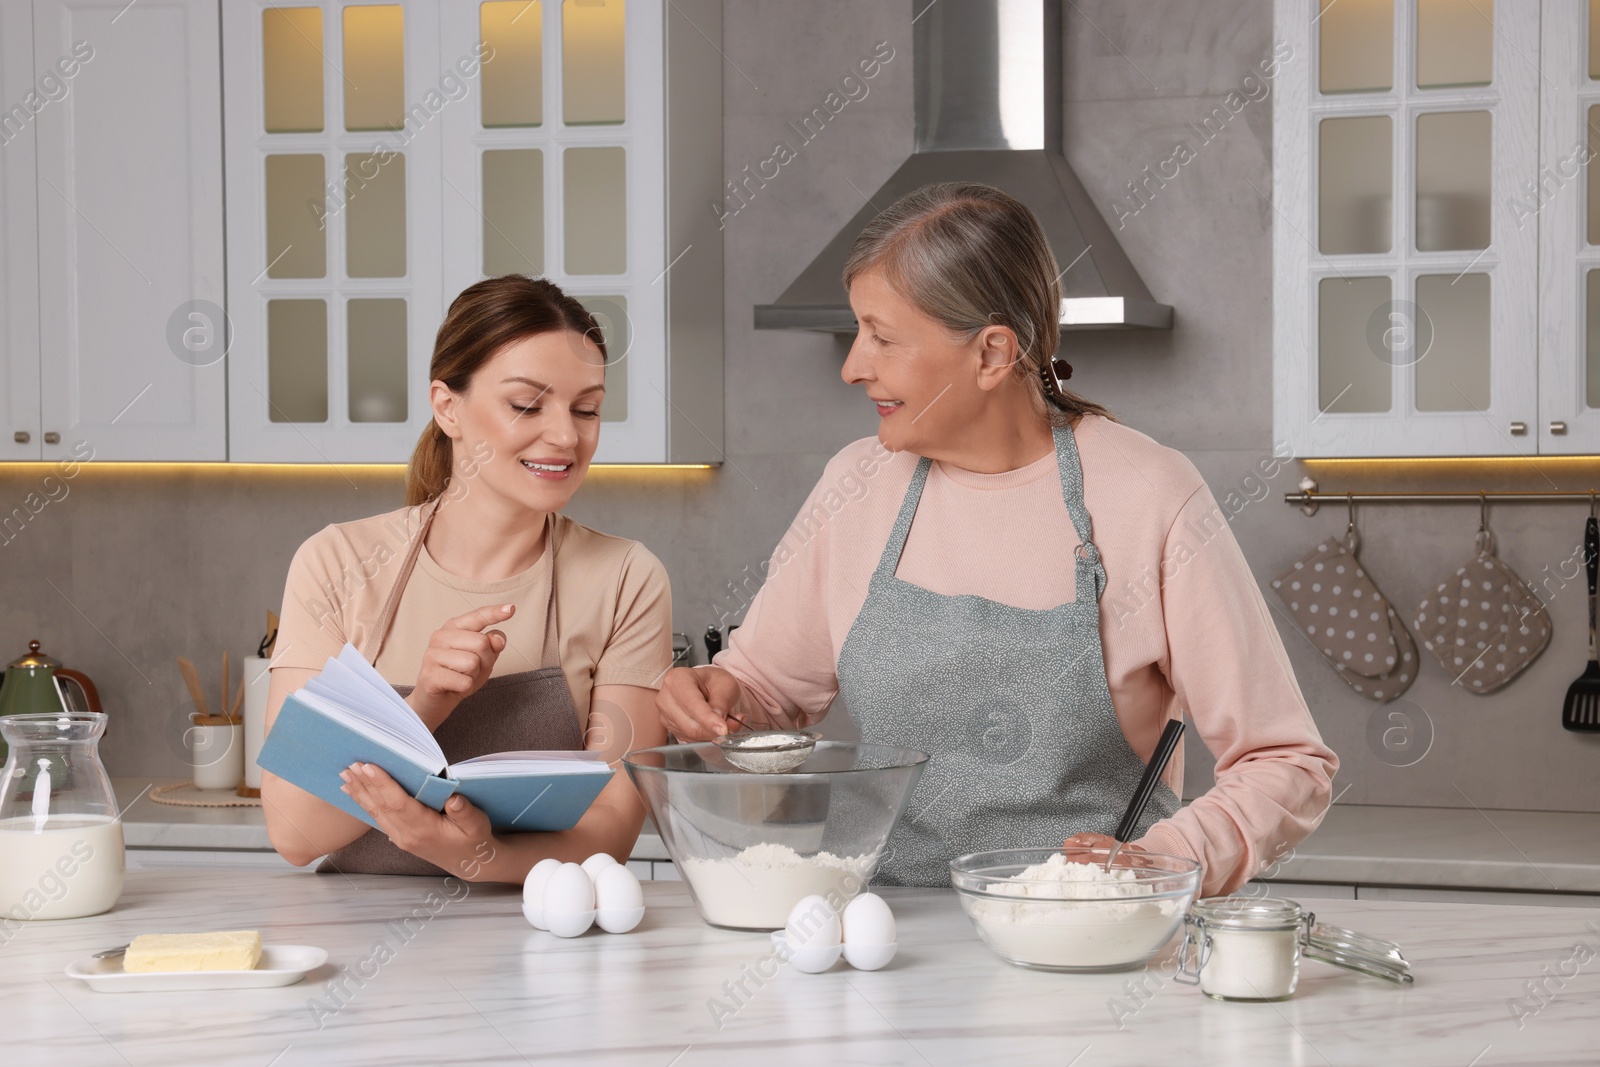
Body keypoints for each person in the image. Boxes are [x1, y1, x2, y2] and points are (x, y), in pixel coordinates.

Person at [657, 183, 1337, 894]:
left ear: (990, 354)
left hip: (1084, 944)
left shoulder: (1153, 495)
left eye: (882, 336)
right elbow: (764, 697)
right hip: (880, 938)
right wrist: (717, 700)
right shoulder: (856, 487)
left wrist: (1163, 860)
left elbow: (1286, 760)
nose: (853, 365)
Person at [263, 276, 671, 881]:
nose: (566, 435)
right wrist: (423, 706)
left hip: (542, 944)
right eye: (527, 404)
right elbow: (296, 833)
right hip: (358, 941)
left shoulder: (626, 578)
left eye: (587, 408)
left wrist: (472, 857)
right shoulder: (338, 563)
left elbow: (611, 828)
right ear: (448, 407)